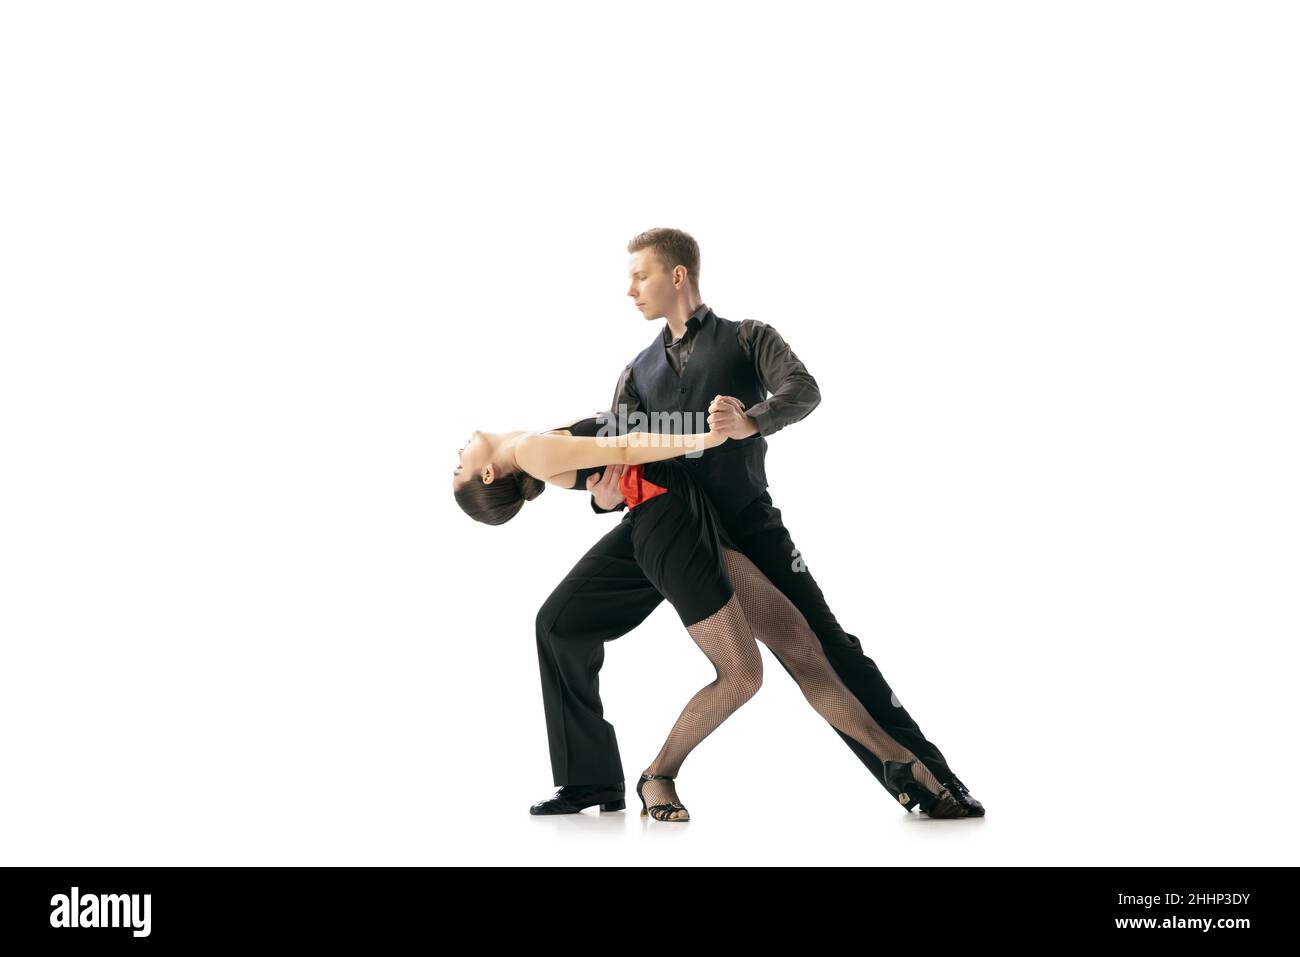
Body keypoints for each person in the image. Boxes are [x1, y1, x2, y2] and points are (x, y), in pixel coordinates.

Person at [530, 227, 984, 818]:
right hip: (667, 532)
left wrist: (754, 420)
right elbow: (613, 452)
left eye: (639, 276)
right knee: (559, 624)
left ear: (677, 276)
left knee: (830, 651)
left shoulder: (748, 338)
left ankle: (932, 781)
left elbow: (804, 389)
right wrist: (603, 500)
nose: (629, 290)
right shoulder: (636, 372)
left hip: (747, 527)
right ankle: (590, 782)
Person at [453, 412, 971, 819]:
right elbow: (627, 446)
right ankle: (656, 774)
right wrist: (710, 435)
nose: (456, 455)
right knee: (744, 675)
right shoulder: (532, 450)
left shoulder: (535, 441)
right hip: (668, 525)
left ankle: (900, 763)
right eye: (459, 468)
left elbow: (618, 453)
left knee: (801, 642)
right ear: (489, 472)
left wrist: (606, 498)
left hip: (685, 511)